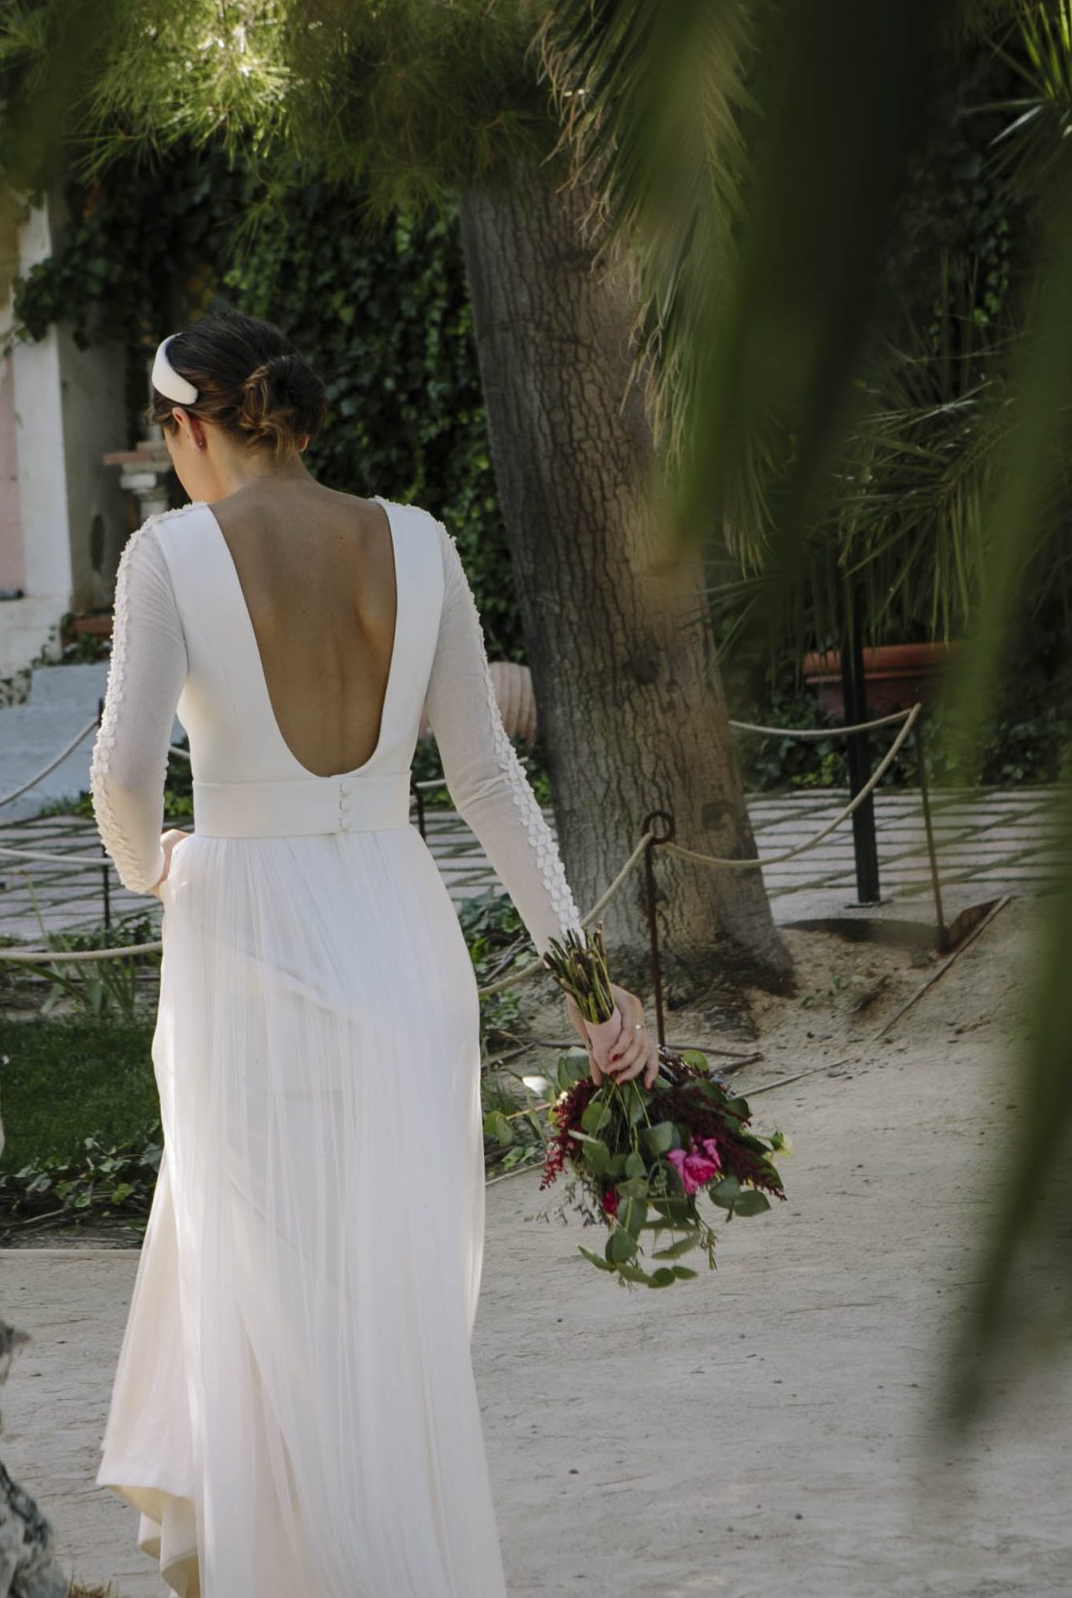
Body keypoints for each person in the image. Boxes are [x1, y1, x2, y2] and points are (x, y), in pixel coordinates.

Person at [88, 311, 654, 1597]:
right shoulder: (418, 542)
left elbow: (121, 778)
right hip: (402, 937)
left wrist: (154, 867)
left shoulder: (168, 553)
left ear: (189, 428)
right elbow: (491, 786)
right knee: (385, 1304)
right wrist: (587, 987)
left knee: (263, 1290)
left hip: (244, 932)